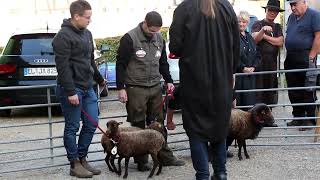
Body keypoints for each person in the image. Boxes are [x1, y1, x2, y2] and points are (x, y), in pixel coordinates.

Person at [169, 0, 239, 179]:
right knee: (219, 126)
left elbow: (174, 46)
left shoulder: (184, 8)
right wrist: (231, 72)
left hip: (194, 81)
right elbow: (236, 46)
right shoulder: (226, 7)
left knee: (196, 130)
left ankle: (202, 175)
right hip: (222, 80)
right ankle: (221, 173)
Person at [116, 11, 185, 172]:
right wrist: (121, 88)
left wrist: (169, 80)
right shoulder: (129, 38)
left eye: (157, 31)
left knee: (158, 124)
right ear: (145, 23)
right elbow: (121, 64)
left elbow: (163, 63)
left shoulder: (159, 39)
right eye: (152, 30)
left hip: (154, 86)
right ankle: (142, 161)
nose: (155, 34)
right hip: (135, 87)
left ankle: (164, 156)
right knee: (138, 124)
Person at [52, 0, 104, 178]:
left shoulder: (87, 34)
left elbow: (90, 60)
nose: (90, 20)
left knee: (92, 123)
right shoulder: (62, 37)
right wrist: (70, 91)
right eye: (87, 17)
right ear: (76, 16)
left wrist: (99, 78)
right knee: (72, 127)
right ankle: (74, 163)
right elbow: (63, 67)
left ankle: (83, 158)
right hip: (71, 89)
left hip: (87, 87)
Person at [284, 0, 320, 130]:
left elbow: (318, 36)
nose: (293, 7)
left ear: (304, 2)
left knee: (308, 89)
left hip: (306, 56)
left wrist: (311, 56)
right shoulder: (291, 17)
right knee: (293, 89)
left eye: (295, 4)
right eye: (291, 5)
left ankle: (310, 119)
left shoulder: (314, 15)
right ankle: (298, 117)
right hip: (291, 57)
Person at [251, 0, 284, 118]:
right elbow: (255, 39)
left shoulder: (278, 26)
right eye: (270, 10)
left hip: (272, 64)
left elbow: (280, 42)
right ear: (266, 10)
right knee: (258, 90)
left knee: (270, 90)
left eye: (275, 11)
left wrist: (264, 36)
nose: (272, 13)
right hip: (259, 63)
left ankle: (268, 117)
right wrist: (262, 30)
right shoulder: (257, 24)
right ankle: (257, 117)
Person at [235, 11, 261, 111]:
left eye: (244, 22)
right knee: (239, 106)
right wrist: (242, 68)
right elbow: (231, 56)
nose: (241, 24)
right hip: (238, 77)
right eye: (239, 21)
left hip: (251, 77)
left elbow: (258, 55)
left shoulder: (249, 37)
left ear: (247, 23)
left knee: (250, 105)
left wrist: (254, 67)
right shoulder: (233, 37)